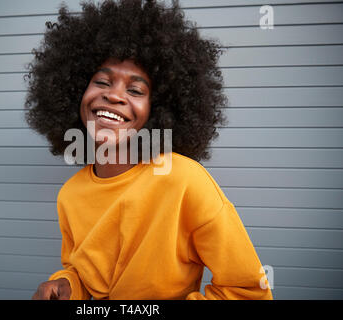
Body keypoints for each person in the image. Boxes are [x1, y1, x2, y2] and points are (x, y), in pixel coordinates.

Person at [25, 0, 273, 300]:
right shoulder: (70, 194)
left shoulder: (183, 181)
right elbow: (85, 272)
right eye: (102, 81)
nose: (113, 95)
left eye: (135, 90)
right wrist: (66, 285)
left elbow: (246, 291)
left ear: (160, 109)